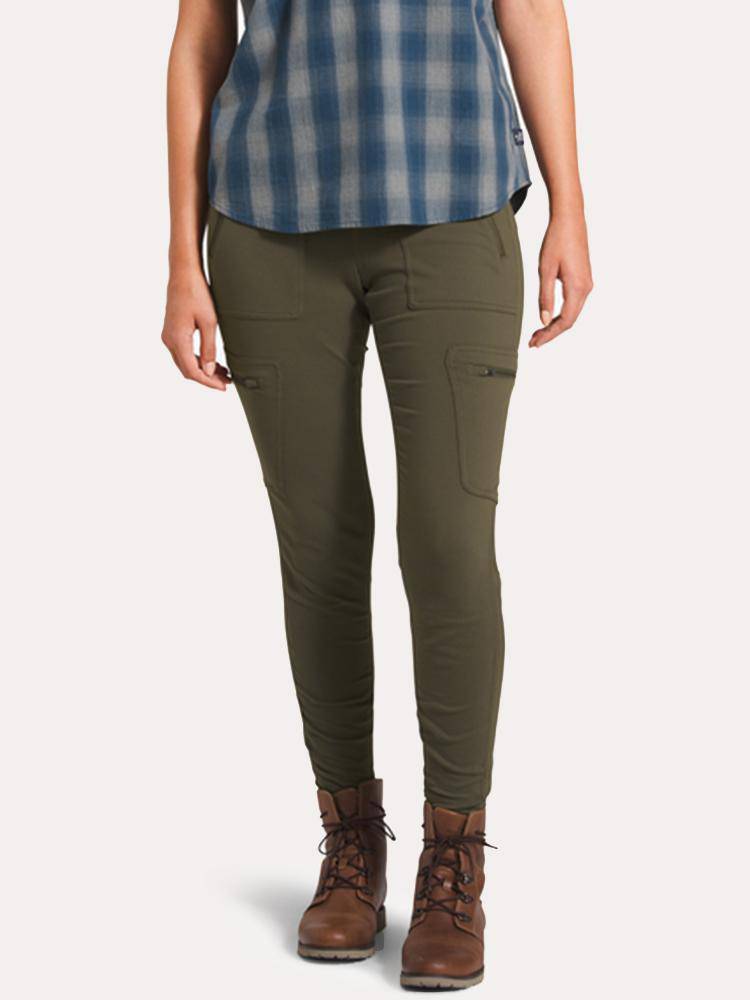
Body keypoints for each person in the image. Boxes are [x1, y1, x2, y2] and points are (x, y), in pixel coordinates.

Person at [161, 0, 592, 990]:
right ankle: (351, 845)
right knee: (317, 549)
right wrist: (183, 255)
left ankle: (454, 860)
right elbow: (200, 37)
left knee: (449, 545)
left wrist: (569, 205)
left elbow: (531, 8)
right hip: (268, 212)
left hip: (453, 199)